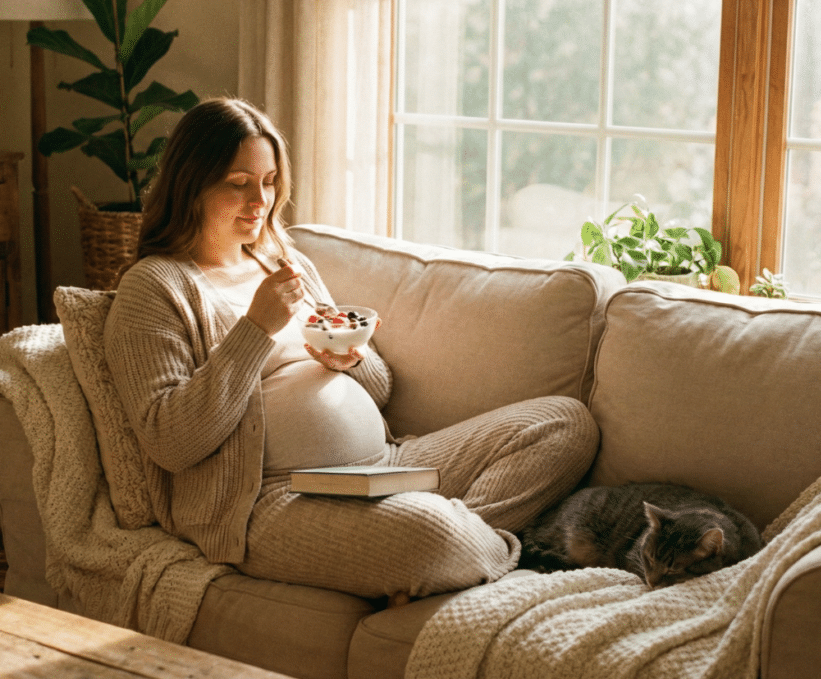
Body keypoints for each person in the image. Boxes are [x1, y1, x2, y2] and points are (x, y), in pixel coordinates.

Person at [104, 97, 600, 602]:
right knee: (434, 536)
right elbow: (171, 442)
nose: (261, 201)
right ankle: (443, 543)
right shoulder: (155, 286)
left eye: (270, 181)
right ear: (191, 186)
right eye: (238, 184)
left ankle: (445, 545)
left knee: (563, 423)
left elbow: (379, 390)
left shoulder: (279, 259)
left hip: (383, 464)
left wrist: (350, 358)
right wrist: (256, 328)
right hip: (268, 498)